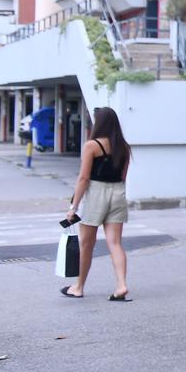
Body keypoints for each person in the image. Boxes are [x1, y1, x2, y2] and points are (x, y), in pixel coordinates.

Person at [60, 107, 132, 301]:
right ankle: (121, 285)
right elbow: (123, 177)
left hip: (96, 194)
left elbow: (83, 178)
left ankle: (78, 287)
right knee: (115, 243)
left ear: (98, 123)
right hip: (118, 193)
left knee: (87, 244)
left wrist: (73, 207)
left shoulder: (91, 145)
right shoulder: (124, 147)